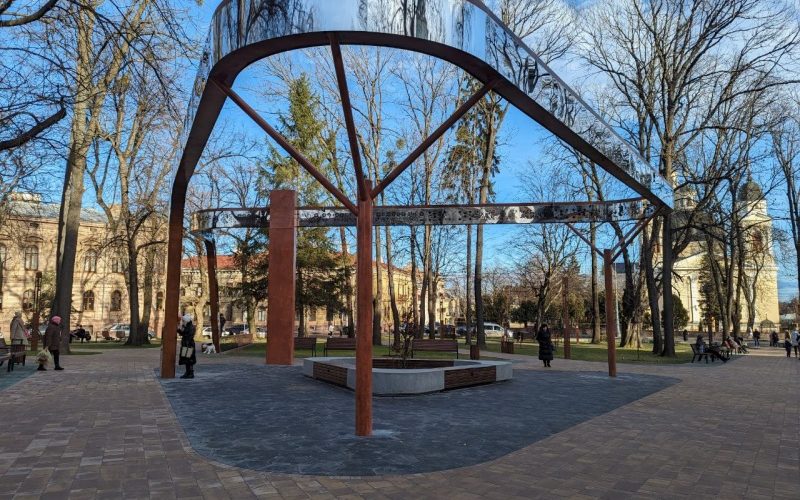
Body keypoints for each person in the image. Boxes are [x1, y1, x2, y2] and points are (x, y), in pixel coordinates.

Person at [178, 314, 197, 379]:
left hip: (189, 345)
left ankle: (190, 373)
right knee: (186, 360)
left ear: (187, 320)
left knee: (189, 359)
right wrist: (179, 330)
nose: (183, 321)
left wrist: (187, 344)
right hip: (186, 344)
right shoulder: (187, 326)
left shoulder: (191, 327)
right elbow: (184, 334)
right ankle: (187, 372)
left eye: (184, 320)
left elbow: (189, 336)